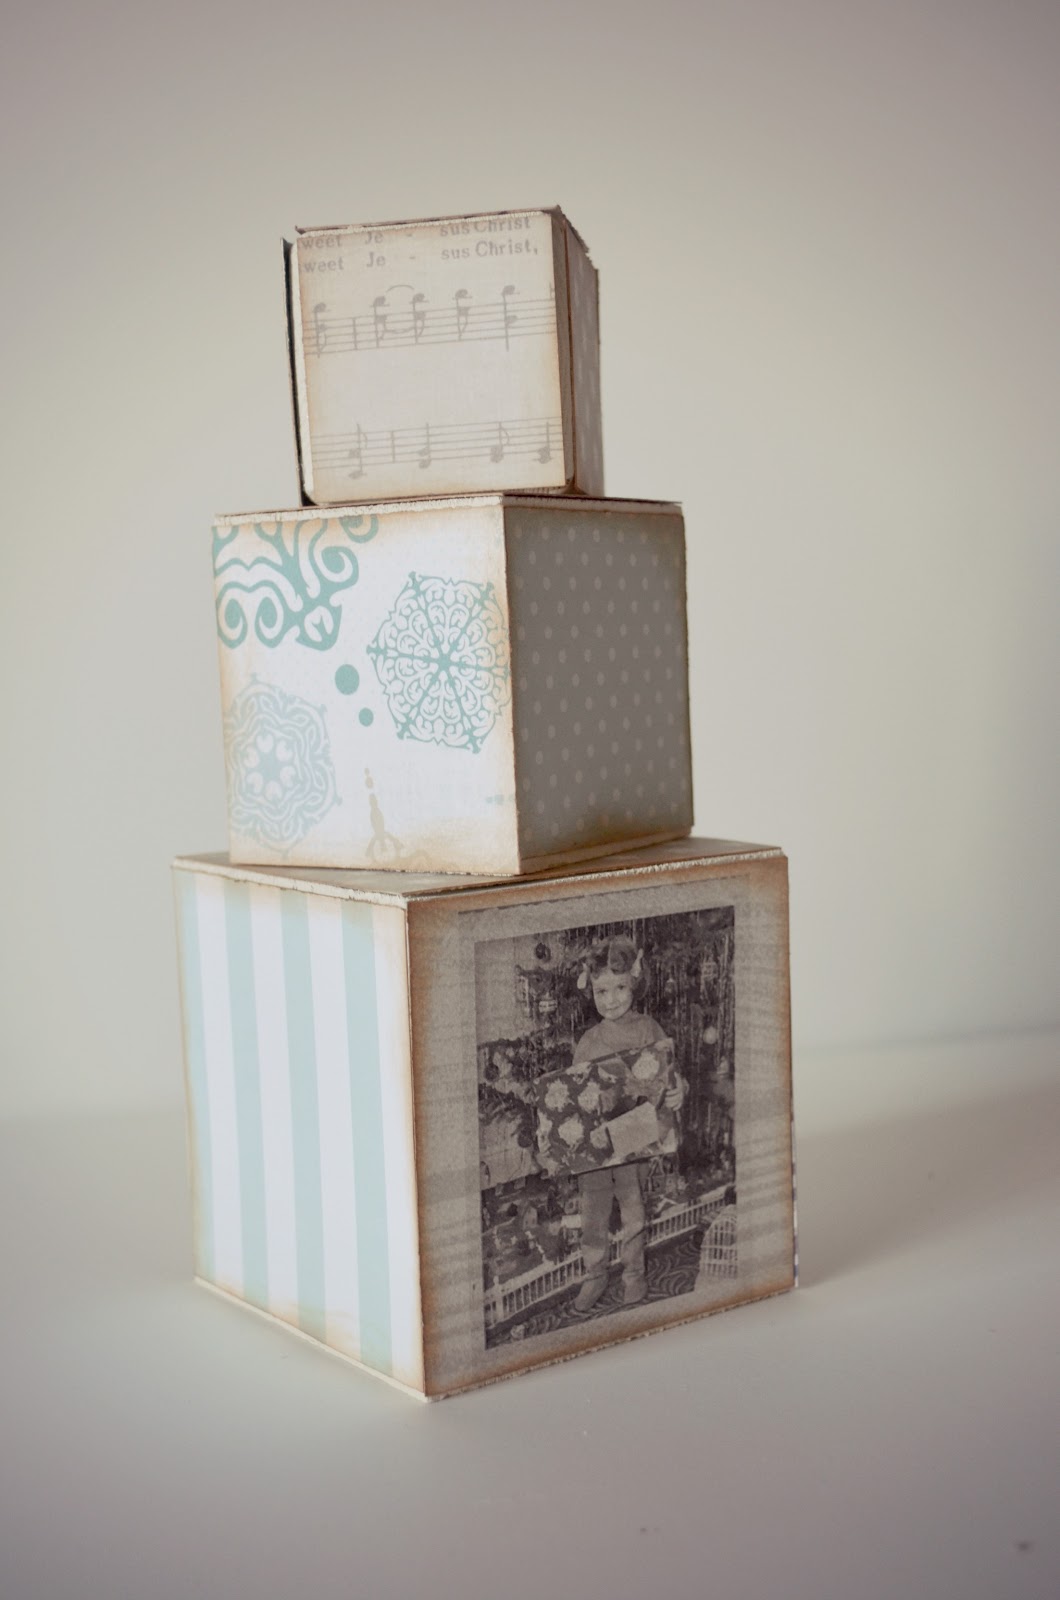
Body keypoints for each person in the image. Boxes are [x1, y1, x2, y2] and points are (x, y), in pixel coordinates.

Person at [567, 937, 685, 1312]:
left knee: (633, 1212)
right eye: (601, 990)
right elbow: (573, 1095)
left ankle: (634, 1273)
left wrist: (679, 1091)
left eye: (619, 987)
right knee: (593, 1215)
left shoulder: (649, 1029)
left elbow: (670, 1077)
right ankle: (595, 1275)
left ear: (634, 981)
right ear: (591, 991)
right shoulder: (588, 1041)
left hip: (635, 1137)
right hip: (598, 1145)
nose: (611, 999)